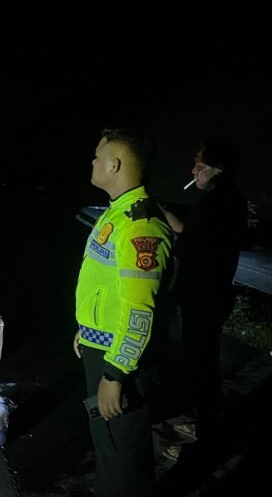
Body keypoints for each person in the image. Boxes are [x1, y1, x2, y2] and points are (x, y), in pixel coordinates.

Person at [73, 128, 173, 497]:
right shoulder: (118, 212)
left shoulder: (139, 225)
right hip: (104, 347)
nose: (93, 162)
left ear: (115, 165)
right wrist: (87, 328)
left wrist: (115, 373)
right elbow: (108, 288)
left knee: (122, 452)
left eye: (98, 157)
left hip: (121, 361)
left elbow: (139, 311)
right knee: (108, 445)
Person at [159, 137, 247, 462]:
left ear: (218, 169)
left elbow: (190, 244)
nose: (194, 169)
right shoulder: (226, 199)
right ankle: (204, 423)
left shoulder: (219, 202)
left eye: (201, 164)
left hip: (205, 297)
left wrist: (162, 212)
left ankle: (207, 441)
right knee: (201, 362)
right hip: (210, 295)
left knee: (202, 365)